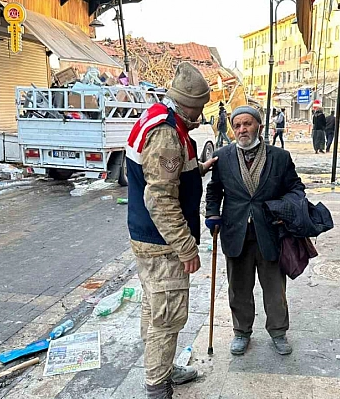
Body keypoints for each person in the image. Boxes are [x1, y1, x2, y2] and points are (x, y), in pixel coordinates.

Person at [125, 62, 218, 399]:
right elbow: (160, 198)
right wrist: (186, 247)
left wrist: (199, 170)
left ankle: (162, 369)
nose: (201, 114)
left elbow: (170, 177)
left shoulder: (162, 118)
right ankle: (157, 388)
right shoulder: (166, 132)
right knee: (167, 316)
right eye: (200, 107)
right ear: (187, 104)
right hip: (162, 244)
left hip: (149, 238)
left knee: (155, 308)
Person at [205, 105, 306, 357]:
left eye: (247, 124)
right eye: (237, 125)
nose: (242, 129)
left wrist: (284, 209)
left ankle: (278, 331)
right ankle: (241, 332)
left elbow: (296, 188)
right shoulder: (223, 157)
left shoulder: (280, 157)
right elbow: (214, 190)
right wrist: (212, 214)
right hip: (234, 231)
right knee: (238, 287)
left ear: (259, 126)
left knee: (274, 288)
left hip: (269, 231)